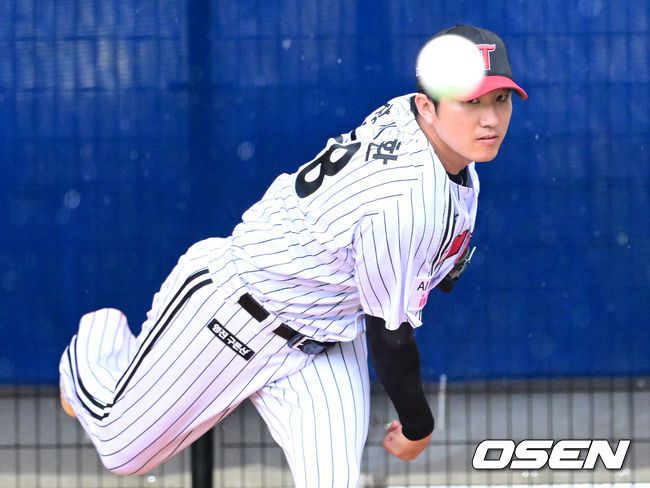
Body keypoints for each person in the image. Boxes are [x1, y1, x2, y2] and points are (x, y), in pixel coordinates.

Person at [60, 24, 527, 487]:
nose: (489, 119)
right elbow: (391, 338)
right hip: (236, 309)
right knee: (123, 451)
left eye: (500, 99)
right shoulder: (407, 200)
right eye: (470, 101)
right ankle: (96, 345)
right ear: (426, 106)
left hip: (327, 339)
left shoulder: (425, 132)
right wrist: (417, 424)